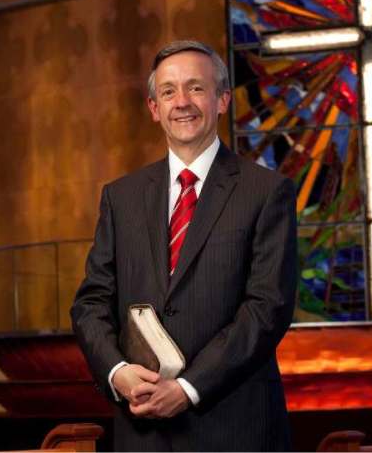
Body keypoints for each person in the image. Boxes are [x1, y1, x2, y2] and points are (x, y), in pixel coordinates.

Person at [71, 40, 297, 452]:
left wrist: (190, 387)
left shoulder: (267, 191)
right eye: (169, 91)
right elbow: (91, 302)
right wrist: (118, 371)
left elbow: (268, 306)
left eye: (196, 88)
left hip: (234, 428)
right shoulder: (120, 197)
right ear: (154, 108)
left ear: (223, 100)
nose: (182, 103)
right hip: (143, 432)